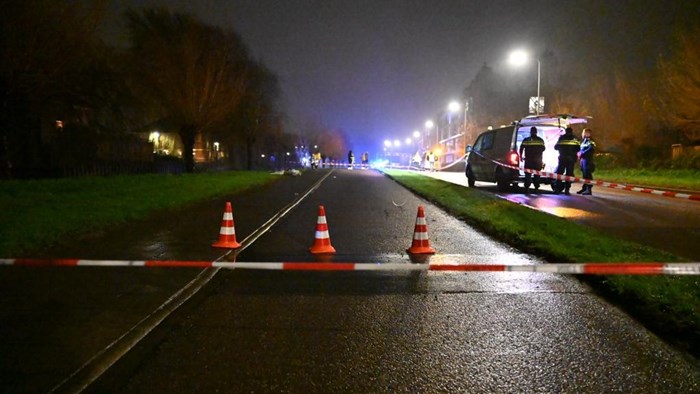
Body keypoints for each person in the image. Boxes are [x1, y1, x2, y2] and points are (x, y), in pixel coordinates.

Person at [554, 126, 580, 195]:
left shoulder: (561, 138)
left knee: (559, 174)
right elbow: (578, 149)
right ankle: (567, 190)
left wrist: (562, 149)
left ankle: (557, 189)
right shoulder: (575, 138)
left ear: (565, 131)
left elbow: (556, 147)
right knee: (569, 174)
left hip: (562, 158)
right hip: (571, 159)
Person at [519, 127, 545, 194]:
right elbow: (543, 149)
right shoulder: (540, 140)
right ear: (536, 132)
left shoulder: (526, 140)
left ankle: (527, 188)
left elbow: (521, 148)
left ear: (530, 132)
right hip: (537, 161)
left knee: (528, 175)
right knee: (537, 175)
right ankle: (536, 188)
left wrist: (521, 157)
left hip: (528, 161)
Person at [577, 128, 596, 195]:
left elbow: (591, 149)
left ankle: (589, 189)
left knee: (588, 175)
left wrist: (582, 153)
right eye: (584, 132)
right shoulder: (584, 141)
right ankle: (584, 188)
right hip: (583, 160)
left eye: (586, 132)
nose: (585, 134)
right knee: (584, 174)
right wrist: (579, 153)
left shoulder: (591, 141)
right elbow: (581, 149)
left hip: (588, 160)